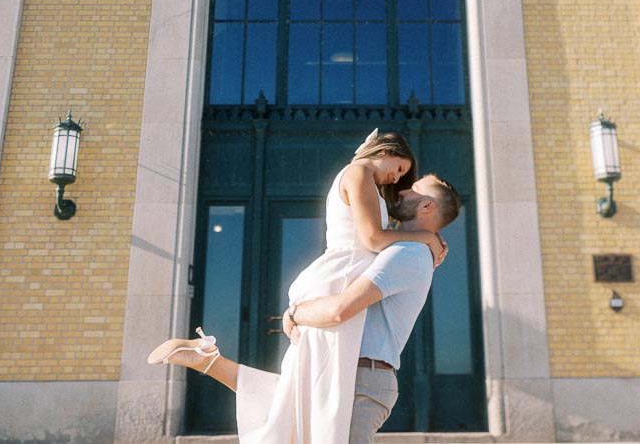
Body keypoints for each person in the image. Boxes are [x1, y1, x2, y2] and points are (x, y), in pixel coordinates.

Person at [149, 130, 447, 444]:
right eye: (399, 168)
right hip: (340, 277)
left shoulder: (366, 182)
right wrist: (425, 236)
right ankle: (211, 361)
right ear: (385, 149)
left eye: (402, 176)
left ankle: (209, 359)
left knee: (300, 387)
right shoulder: (359, 171)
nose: (395, 178)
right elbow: (373, 239)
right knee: (317, 398)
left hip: (339, 278)